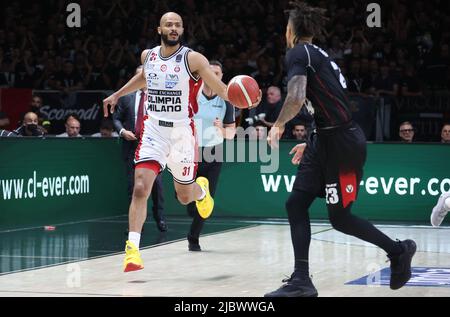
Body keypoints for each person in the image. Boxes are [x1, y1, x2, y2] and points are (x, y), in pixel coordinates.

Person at [266, 1, 416, 297]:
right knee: (295, 203)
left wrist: (278, 124)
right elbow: (324, 103)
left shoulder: (298, 52)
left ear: (291, 30)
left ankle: (399, 250)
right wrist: (310, 139)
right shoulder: (319, 54)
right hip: (324, 139)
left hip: (342, 145)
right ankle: (301, 280)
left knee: (341, 218)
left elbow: (296, 98)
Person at [103, 12, 260, 272]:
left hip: (181, 134)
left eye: (177, 25)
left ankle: (202, 191)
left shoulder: (193, 59)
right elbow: (144, 78)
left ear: (182, 29)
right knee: (141, 187)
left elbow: (221, 89)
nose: (173, 28)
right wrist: (118, 94)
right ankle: (132, 250)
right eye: (169, 24)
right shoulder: (148, 56)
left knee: (184, 196)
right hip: (153, 130)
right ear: (159, 29)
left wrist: (244, 99)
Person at [186, 60, 236, 251]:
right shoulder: (193, 94)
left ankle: (193, 238)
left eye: (217, 73)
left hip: (214, 153)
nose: (213, 76)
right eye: (210, 72)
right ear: (203, 74)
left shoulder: (226, 100)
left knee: (207, 200)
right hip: (191, 151)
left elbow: (231, 134)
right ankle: (191, 203)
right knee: (188, 199)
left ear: (222, 77)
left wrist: (221, 129)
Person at [113, 66, 167, 233]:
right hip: (131, 146)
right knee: (133, 186)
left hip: (153, 146)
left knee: (156, 186)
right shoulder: (125, 97)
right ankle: (136, 226)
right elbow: (116, 119)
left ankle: (159, 216)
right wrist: (122, 131)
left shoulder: (159, 98)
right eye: (139, 76)